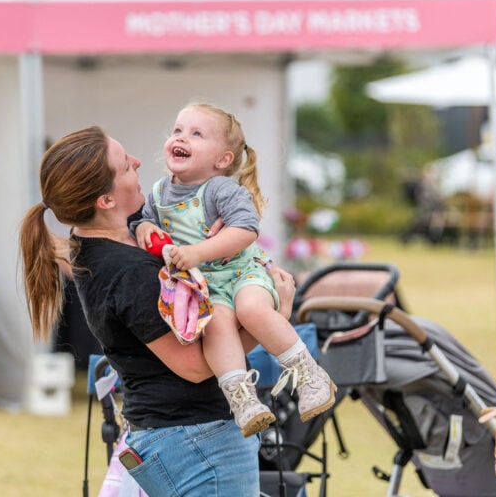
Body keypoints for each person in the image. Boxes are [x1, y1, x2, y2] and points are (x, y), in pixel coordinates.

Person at [19, 126, 298, 496]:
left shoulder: (106, 241)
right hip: (197, 439)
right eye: (124, 166)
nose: (137, 162)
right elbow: (196, 367)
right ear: (104, 200)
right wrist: (276, 315)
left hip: (179, 436)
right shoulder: (128, 273)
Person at [132, 103, 336, 437]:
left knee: (252, 309)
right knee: (216, 326)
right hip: (208, 287)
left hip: (244, 273)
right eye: (178, 130)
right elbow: (146, 223)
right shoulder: (157, 193)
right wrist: (143, 228)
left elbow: (246, 229)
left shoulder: (220, 189)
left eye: (197, 134)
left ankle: (308, 374)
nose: (181, 137)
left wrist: (197, 252)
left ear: (223, 160)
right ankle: (241, 398)